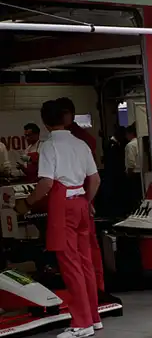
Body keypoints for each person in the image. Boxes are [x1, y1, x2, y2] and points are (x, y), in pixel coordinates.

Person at [16, 100, 101, 338]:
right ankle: (94, 317)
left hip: (63, 206)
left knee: (70, 266)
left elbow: (46, 184)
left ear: (44, 122)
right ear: (66, 119)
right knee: (86, 264)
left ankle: (81, 323)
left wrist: (27, 203)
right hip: (82, 202)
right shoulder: (80, 143)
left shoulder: (49, 147)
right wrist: (88, 201)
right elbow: (94, 180)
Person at [57, 97, 105, 292]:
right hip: (80, 199)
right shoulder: (75, 139)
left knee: (83, 251)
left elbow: (92, 176)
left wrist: (87, 200)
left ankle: (95, 289)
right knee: (82, 250)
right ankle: (91, 290)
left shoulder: (81, 140)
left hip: (78, 199)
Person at [124, 123, 144, 209]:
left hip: (134, 174)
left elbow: (131, 163)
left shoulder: (130, 145)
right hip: (142, 173)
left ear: (130, 133)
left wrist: (128, 174)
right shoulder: (140, 143)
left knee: (134, 196)